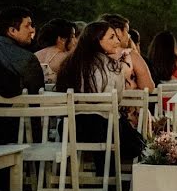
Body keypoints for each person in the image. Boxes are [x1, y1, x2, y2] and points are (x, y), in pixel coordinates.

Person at [56, 21, 146, 172]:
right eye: (111, 37)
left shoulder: (69, 63)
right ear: (97, 40)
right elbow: (117, 100)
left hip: (69, 129)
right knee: (135, 140)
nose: (117, 41)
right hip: (102, 130)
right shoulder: (112, 65)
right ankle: (110, 179)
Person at [0, 6, 44, 99]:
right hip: (17, 113)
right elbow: (37, 98)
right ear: (12, 31)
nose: (32, 30)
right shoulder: (28, 59)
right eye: (27, 26)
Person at [99, 14, 154, 91]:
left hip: (102, 102)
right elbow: (148, 87)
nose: (129, 36)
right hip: (128, 102)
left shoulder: (94, 56)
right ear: (118, 32)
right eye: (127, 31)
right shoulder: (129, 55)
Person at [34, 18, 78, 85]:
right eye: (72, 37)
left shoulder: (35, 55)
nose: (76, 41)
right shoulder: (66, 58)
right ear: (61, 39)